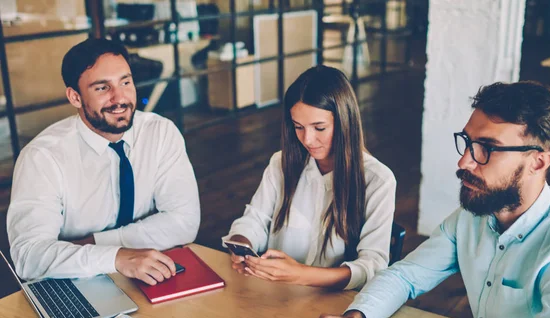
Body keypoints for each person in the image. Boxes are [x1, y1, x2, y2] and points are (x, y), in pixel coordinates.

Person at [311, 81, 550, 318]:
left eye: (486, 149)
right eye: (467, 142)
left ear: (538, 162)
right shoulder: (475, 214)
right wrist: (356, 316)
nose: (464, 162)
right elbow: (407, 275)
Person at [7, 38, 200, 285]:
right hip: (74, 282)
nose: (119, 98)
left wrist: (94, 244)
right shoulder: (42, 157)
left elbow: (184, 222)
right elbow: (29, 257)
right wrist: (116, 258)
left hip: (150, 272)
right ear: (75, 97)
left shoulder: (160, 132)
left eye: (126, 82)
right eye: (102, 88)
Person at [223, 65, 396, 290]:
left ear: (345, 123)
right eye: (298, 127)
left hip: (335, 305)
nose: (308, 139)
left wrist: (301, 275)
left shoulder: (378, 181)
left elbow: (373, 265)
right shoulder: (281, 163)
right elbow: (255, 219)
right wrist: (241, 243)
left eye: (319, 128)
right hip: (274, 295)